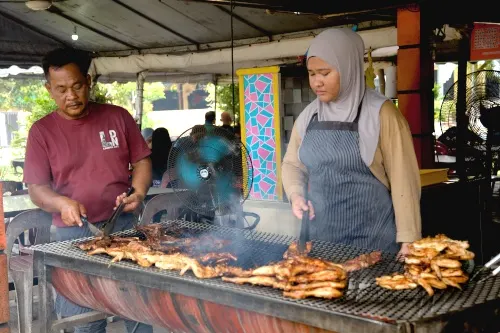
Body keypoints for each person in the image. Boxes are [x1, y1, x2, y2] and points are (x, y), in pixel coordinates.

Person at [22, 47, 153, 333]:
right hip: (73, 237)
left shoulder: (117, 117)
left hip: (125, 228)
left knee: (139, 314)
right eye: (61, 89)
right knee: (82, 322)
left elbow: (141, 161)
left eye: (77, 86)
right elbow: (36, 189)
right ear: (49, 89)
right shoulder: (41, 132)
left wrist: (139, 192)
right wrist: (61, 203)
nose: (71, 96)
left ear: (89, 81)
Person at [282, 28, 421, 256]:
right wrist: (296, 194)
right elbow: (292, 164)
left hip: (373, 241)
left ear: (348, 69)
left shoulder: (382, 113)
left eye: (325, 73)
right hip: (320, 240)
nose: (317, 82)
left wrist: (409, 239)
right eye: (312, 73)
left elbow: (404, 180)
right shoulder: (310, 115)